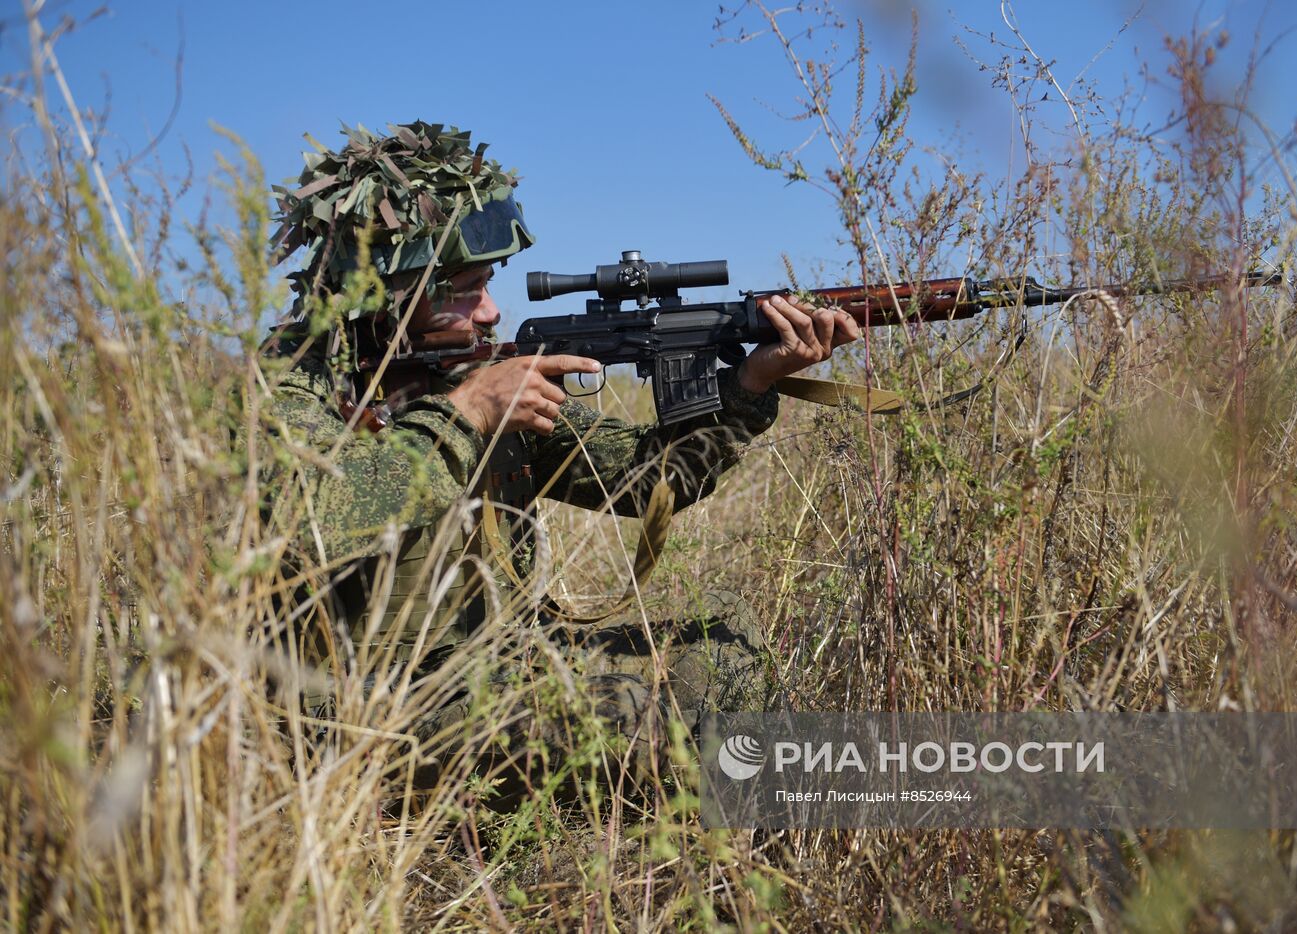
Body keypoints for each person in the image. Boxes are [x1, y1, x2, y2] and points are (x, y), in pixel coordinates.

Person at [261, 122, 858, 794]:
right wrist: (464, 416)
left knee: (725, 646)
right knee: (676, 723)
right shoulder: (290, 390)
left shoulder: (466, 371)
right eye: (463, 290)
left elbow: (641, 482)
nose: (490, 311)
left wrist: (749, 385)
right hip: (362, 710)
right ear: (384, 290)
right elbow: (309, 527)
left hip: (497, 666)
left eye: (487, 285)